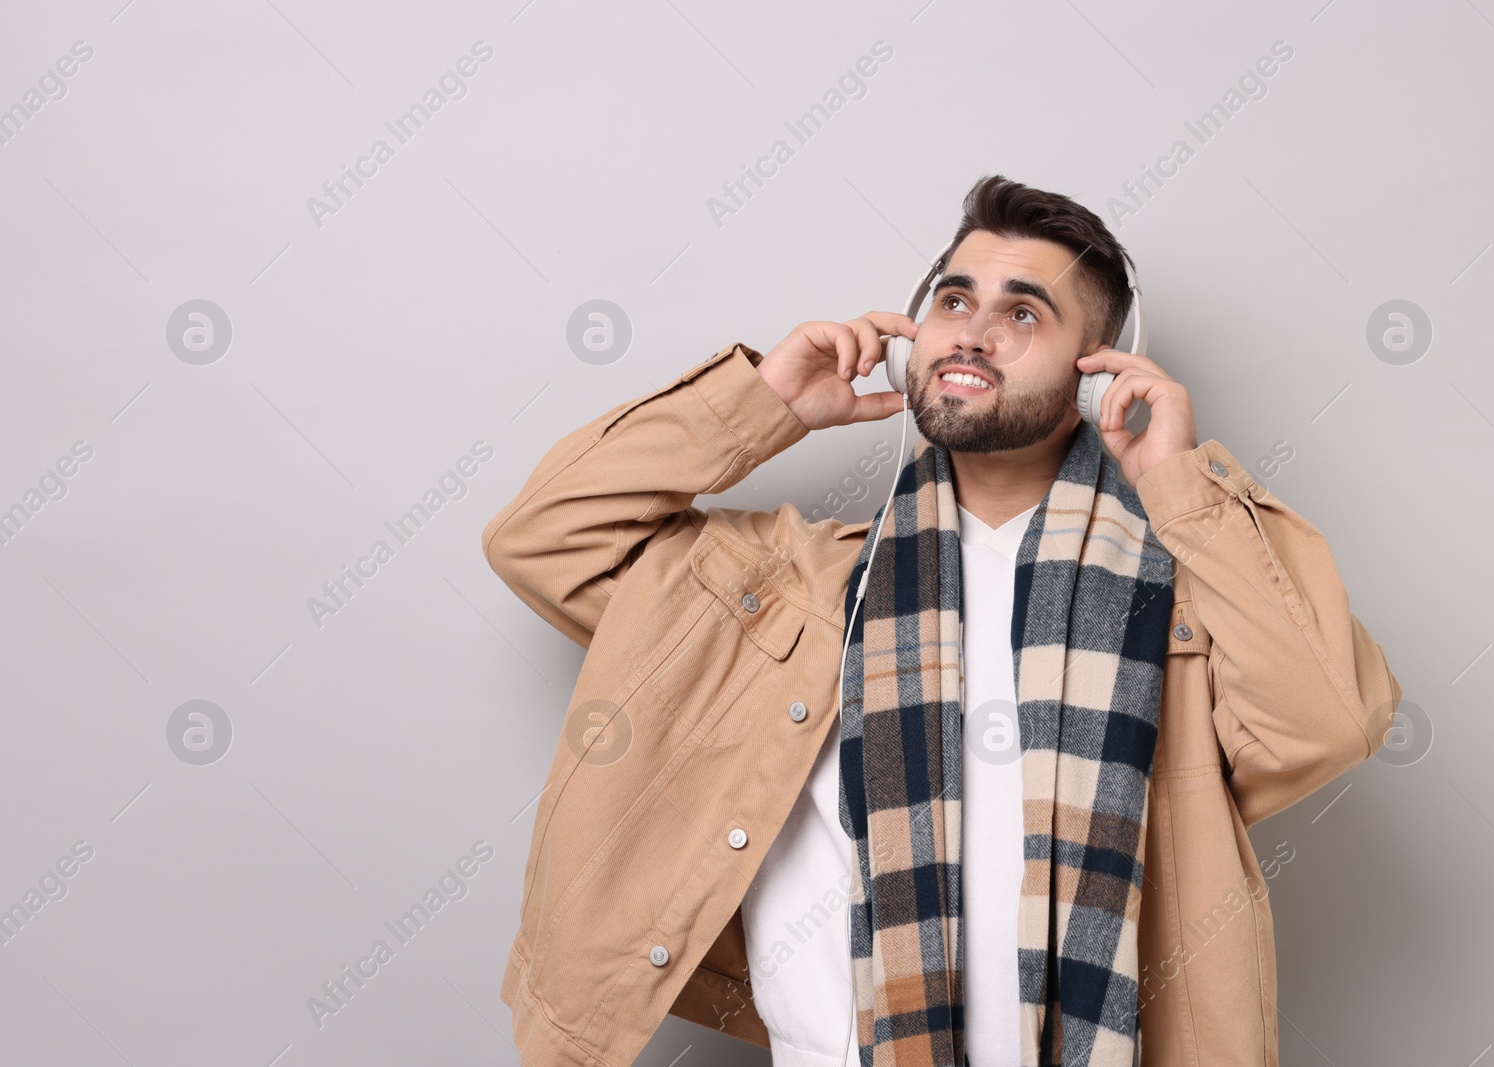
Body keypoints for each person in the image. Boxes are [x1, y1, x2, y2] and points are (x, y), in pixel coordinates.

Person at [481, 174, 1402, 1067]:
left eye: (1023, 314)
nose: (974, 333)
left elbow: (1325, 719)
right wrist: (764, 404)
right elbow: (547, 538)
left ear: (1097, 371)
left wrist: (1177, 483)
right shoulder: (790, 589)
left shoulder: (1175, 607)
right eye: (955, 301)